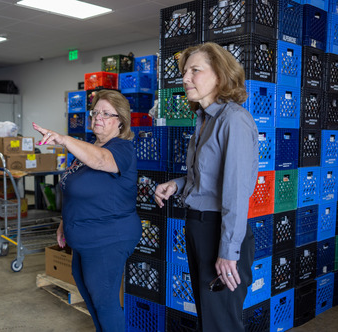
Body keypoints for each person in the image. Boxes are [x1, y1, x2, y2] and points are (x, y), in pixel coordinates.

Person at [153, 42, 259, 331]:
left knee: (221, 323)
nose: (185, 78)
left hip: (219, 231)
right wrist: (176, 185)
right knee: (209, 319)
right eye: (185, 72)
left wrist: (228, 250)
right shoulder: (204, 119)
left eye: (195, 71)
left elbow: (236, 192)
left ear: (220, 76)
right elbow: (207, 178)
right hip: (199, 227)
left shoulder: (233, 120)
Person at [33, 89, 142, 331]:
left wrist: (63, 139)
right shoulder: (88, 149)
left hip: (107, 238)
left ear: (121, 121)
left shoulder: (121, 148)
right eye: (95, 112)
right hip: (83, 237)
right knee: (92, 302)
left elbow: (102, 161)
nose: (98, 118)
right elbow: (75, 190)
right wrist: (64, 222)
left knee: (106, 304)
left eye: (106, 113)